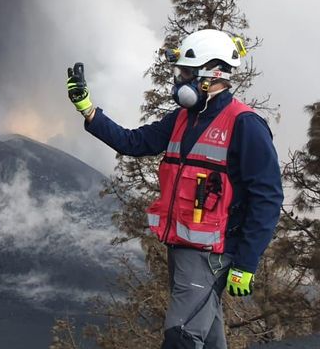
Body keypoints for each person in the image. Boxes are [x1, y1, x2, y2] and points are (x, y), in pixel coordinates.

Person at [66, 29, 283, 349]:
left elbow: (268, 196)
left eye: (186, 73)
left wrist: (247, 263)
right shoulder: (183, 118)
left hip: (212, 255)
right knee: (207, 336)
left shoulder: (245, 124)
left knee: (180, 335)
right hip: (182, 248)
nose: (179, 81)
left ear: (211, 75)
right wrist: (88, 110)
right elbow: (134, 142)